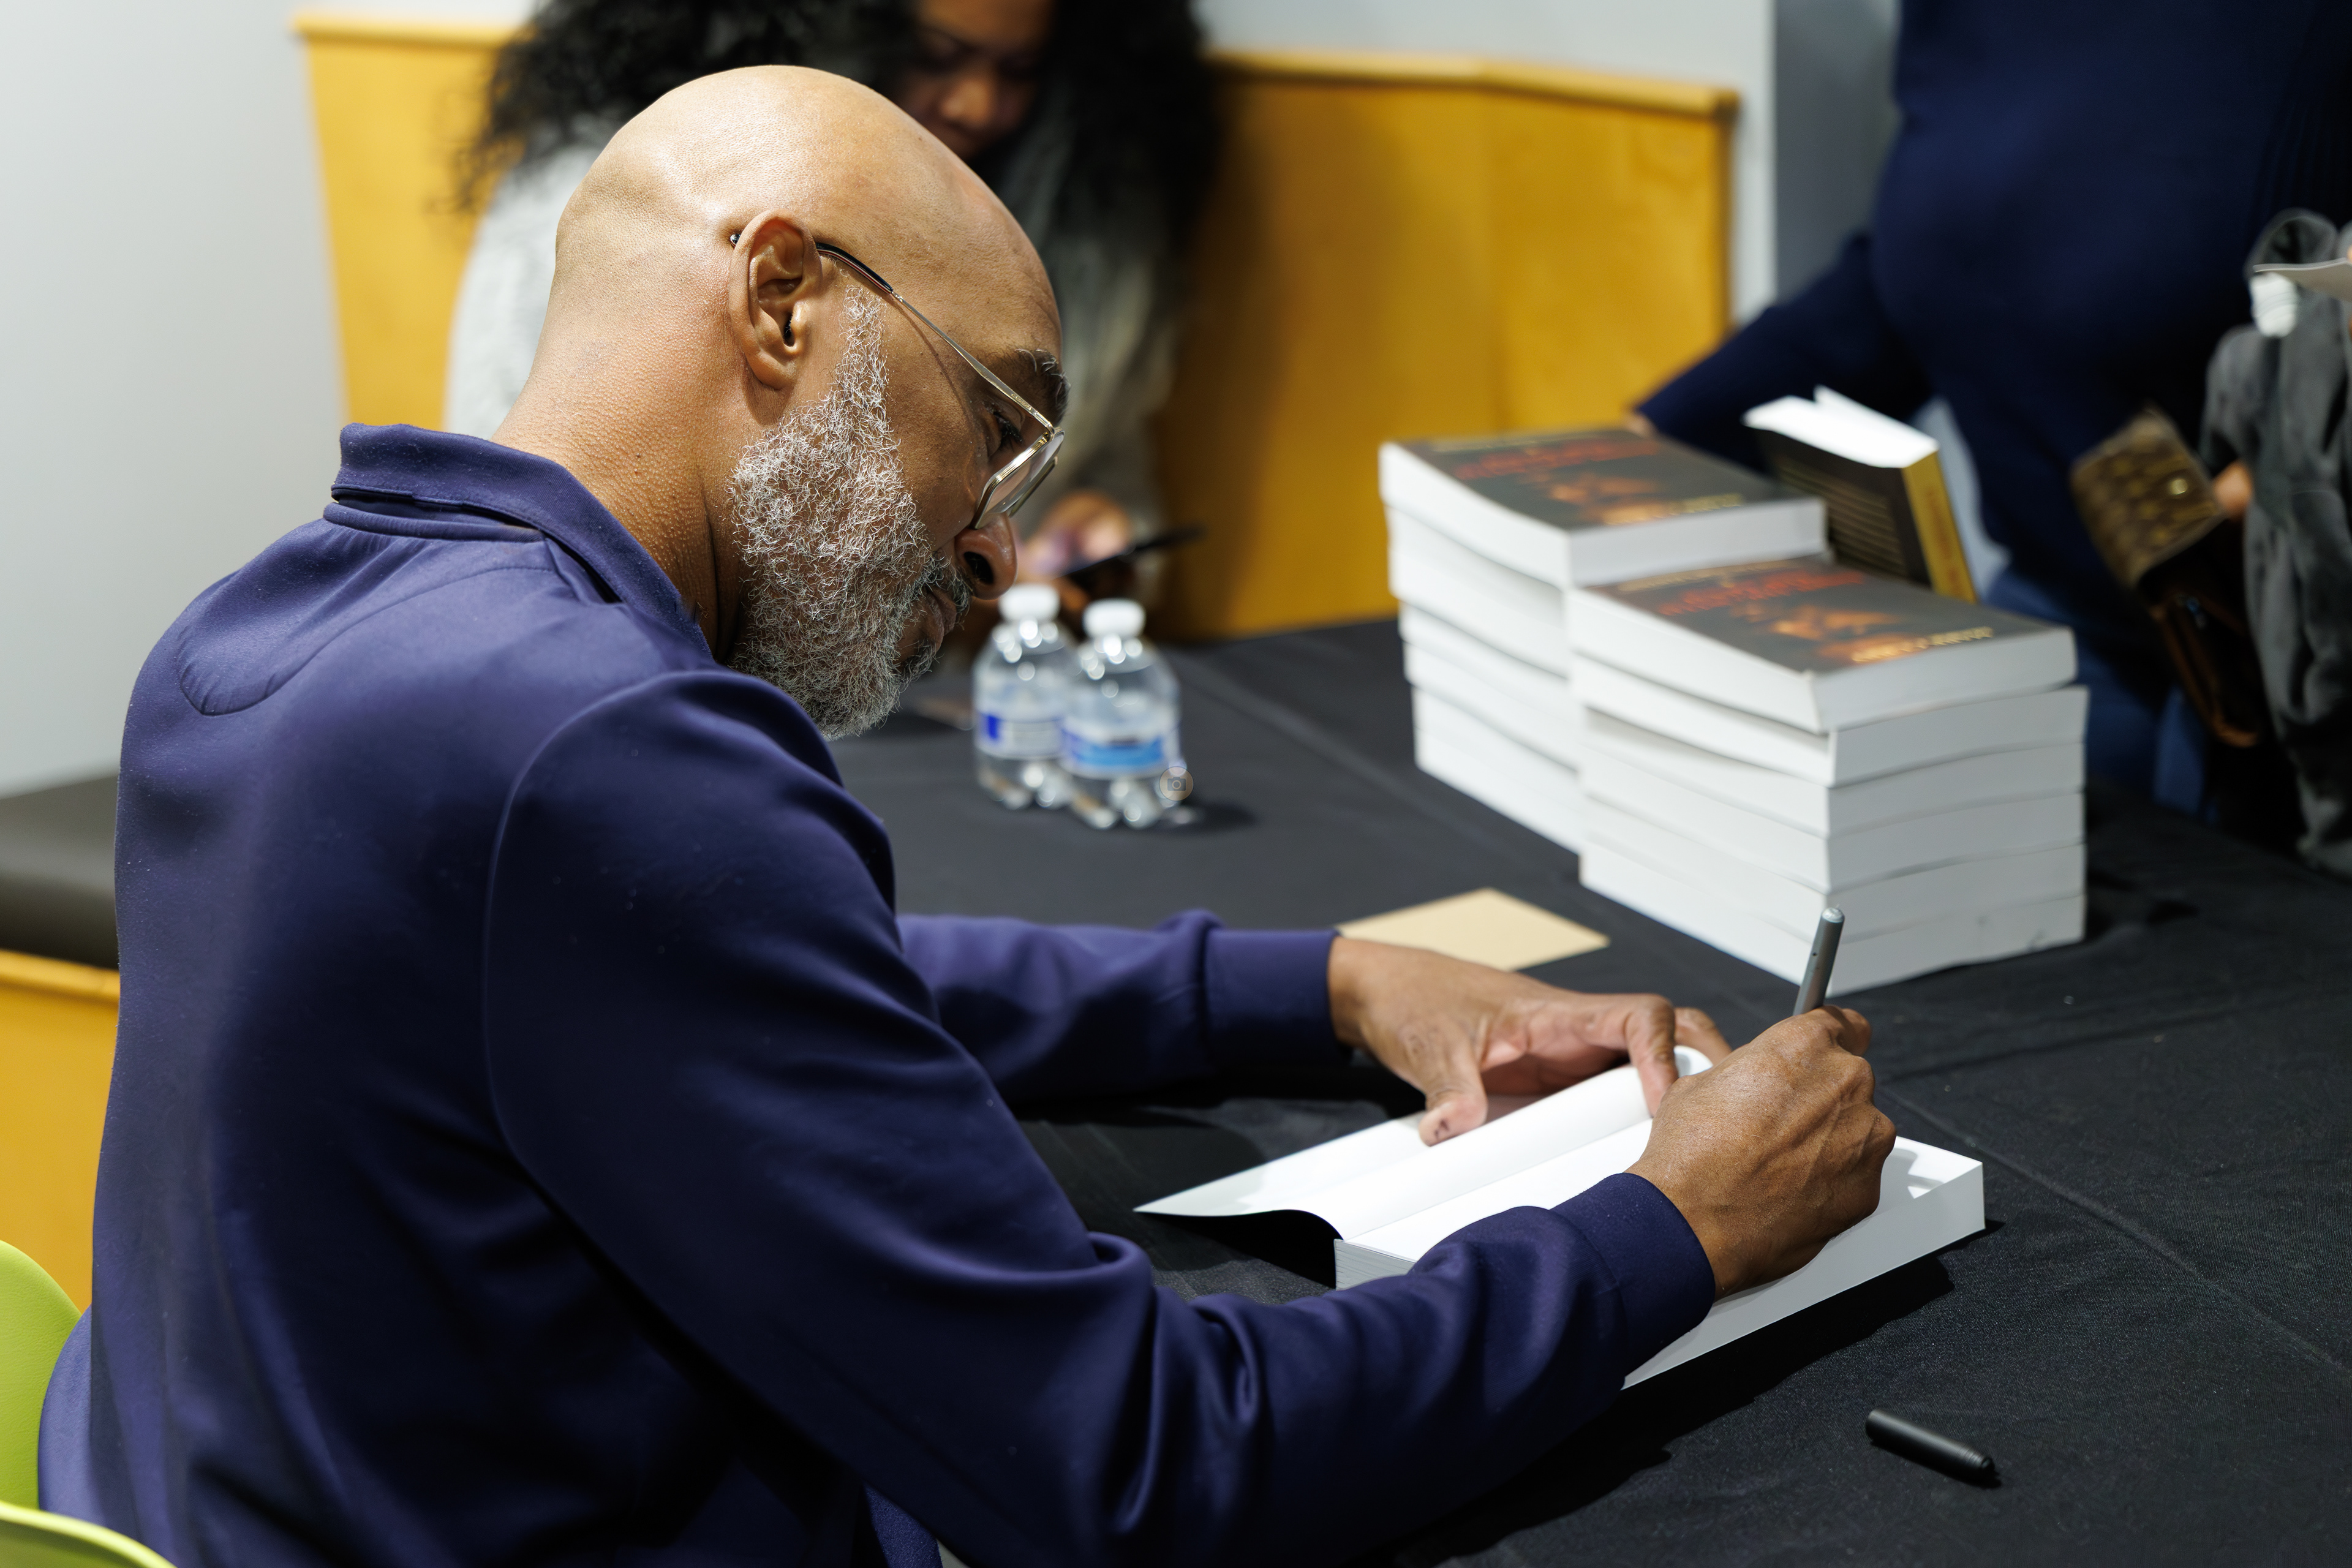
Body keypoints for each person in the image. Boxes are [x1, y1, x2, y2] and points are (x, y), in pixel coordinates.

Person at [42, 69, 1893, 1568]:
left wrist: (1325, 981)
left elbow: (763, 990)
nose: (995, 541)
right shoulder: (603, 752)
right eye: (995, 418)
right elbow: (1140, 1466)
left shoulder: (269, 625)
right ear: (780, 298)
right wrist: (1668, 1223)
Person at [1635, 0, 2352, 832]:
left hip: (2296, 665)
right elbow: (1942, 259)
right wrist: (1650, 443)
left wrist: (2285, 488)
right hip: (2060, 617)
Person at [448, 0, 1208, 584]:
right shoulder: (621, 198)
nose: (976, 105)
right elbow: (520, 496)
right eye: (935, 56)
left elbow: (1100, 464)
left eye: (1020, 71)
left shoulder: (1050, 232)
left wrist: (1090, 524)